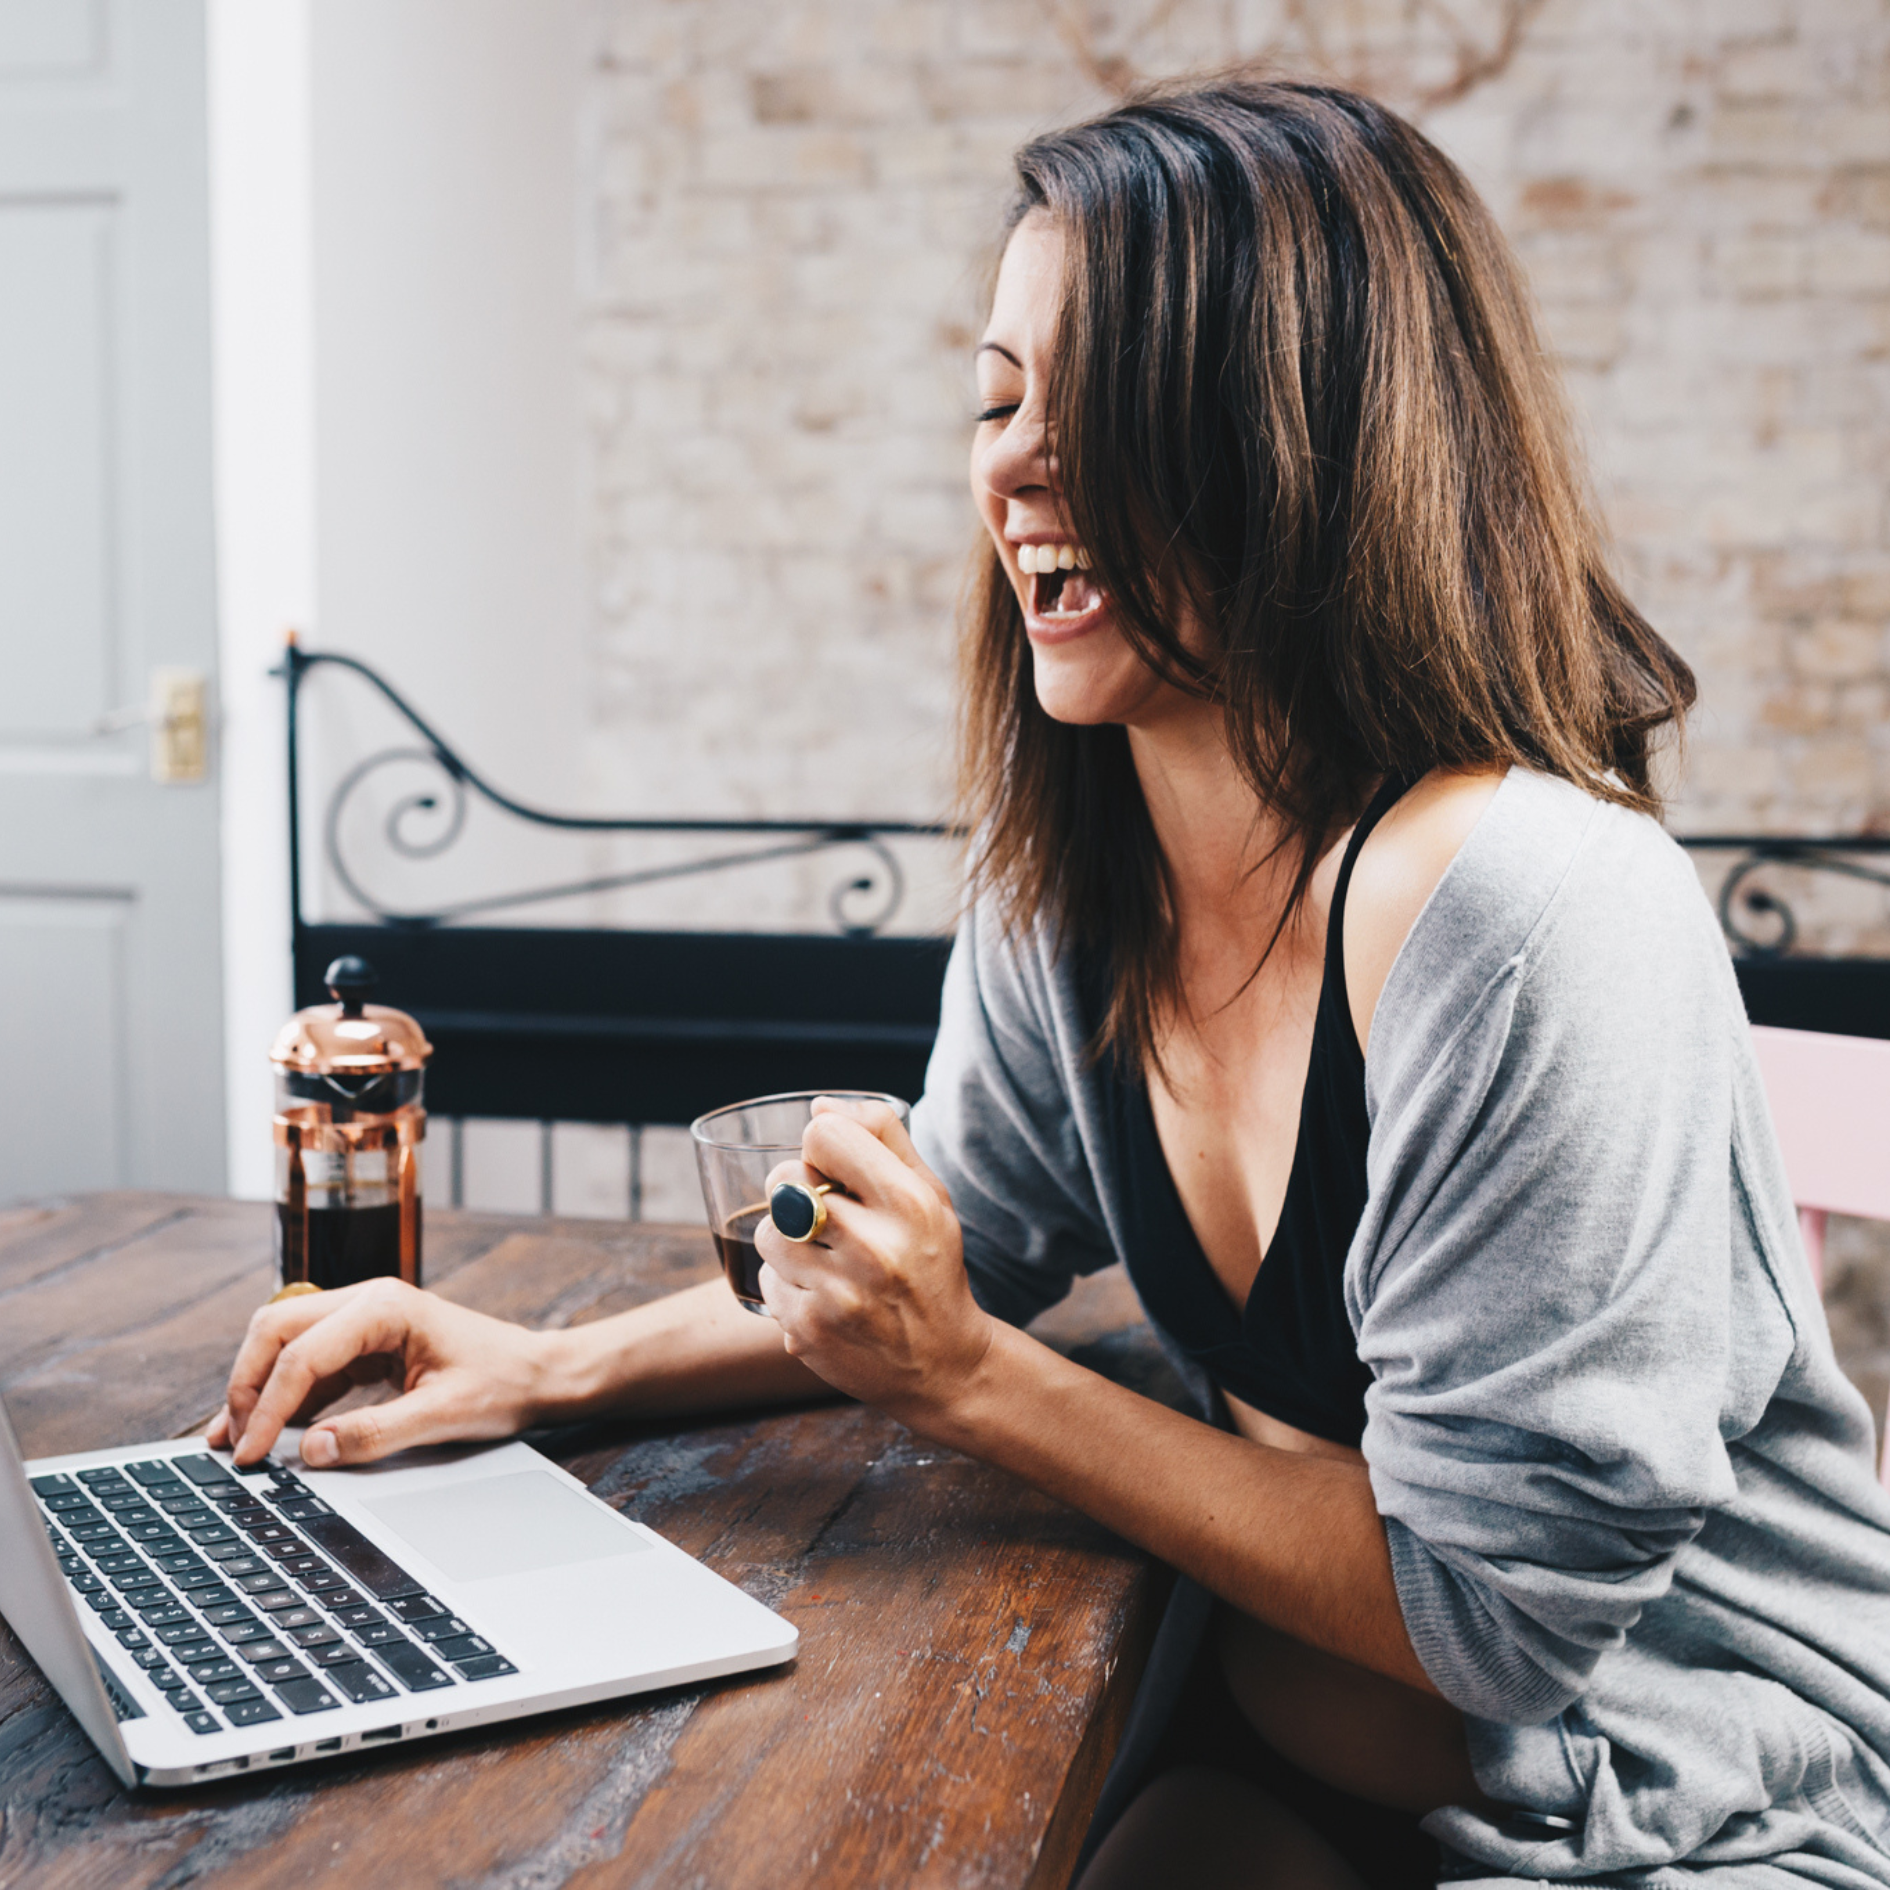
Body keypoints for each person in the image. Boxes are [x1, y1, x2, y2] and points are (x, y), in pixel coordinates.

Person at [210, 81, 1890, 1890]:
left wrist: (968, 1382)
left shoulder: (1534, 911)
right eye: (997, 398)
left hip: (1671, 1816)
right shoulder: (1079, 878)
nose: (1009, 465)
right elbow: (980, 1227)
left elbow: (1498, 1618)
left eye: (1099, 409)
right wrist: (538, 1368)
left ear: (1297, 436)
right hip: (1269, 1742)